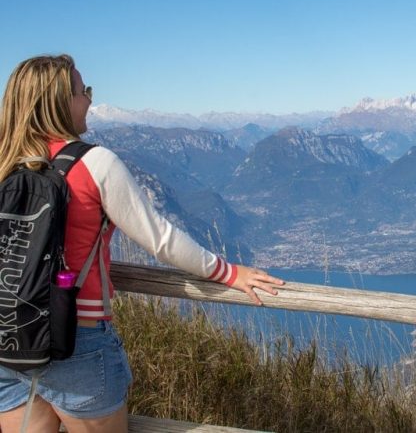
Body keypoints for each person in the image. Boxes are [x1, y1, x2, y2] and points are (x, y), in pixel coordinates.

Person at [0, 55, 285, 432]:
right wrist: (229, 273)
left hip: (8, 335)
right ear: (60, 102)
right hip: (76, 338)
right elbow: (161, 239)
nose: (89, 100)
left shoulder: (6, 161)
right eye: (84, 91)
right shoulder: (93, 163)